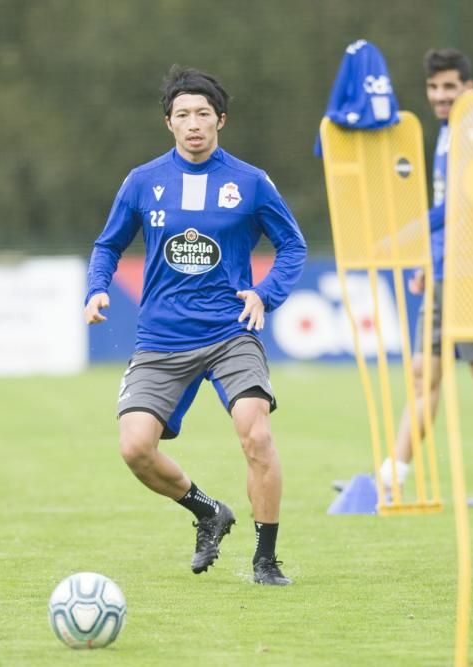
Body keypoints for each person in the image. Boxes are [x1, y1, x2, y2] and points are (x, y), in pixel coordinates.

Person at [84, 66, 307, 585]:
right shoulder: (143, 181)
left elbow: (293, 245)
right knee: (135, 448)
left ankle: (265, 560)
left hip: (231, 332)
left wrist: (265, 294)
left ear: (220, 120)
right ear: (169, 124)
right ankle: (208, 511)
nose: (193, 124)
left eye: (203, 114)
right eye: (182, 115)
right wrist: (97, 286)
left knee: (256, 432)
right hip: (162, 337)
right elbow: (108, 244)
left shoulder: (250, 182)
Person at [379, 49, 473, 507]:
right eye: (434, 88)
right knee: (425, 375)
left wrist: (407, 236)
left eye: (449, 87)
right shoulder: (449, 132)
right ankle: (389, 477)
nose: (440, 96)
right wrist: (428, 261)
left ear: (469, 87)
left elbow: (463, 206)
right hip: (447, 269)